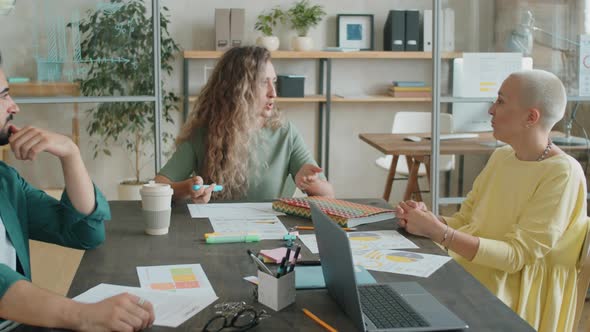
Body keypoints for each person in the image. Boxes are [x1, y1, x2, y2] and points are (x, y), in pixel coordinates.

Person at [395, 69, 588, 332]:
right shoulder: (502, 157)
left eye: (500, 101)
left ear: (531, 117)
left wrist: (439, 232)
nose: (490, 110)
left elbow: (517, 256)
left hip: (509, 296)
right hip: (471, 274)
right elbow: (466, 220)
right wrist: (426, 221)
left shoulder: (563, 173)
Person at [0, 55, 155, 331]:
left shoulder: (5, 181)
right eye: (3, 96)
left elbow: (85, 232)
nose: (15, 106)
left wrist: (70, 153)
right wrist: (82, 315)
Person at [155, 46, 334, 203]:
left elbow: (328, 194)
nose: (273, 93)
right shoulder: (204, 133)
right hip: (213, 234)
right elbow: (159, 186)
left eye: (274, 82)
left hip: (270, 235)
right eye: (264, 83)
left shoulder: (285, 133)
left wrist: (310, 183)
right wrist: (188, 188)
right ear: (239, 88)